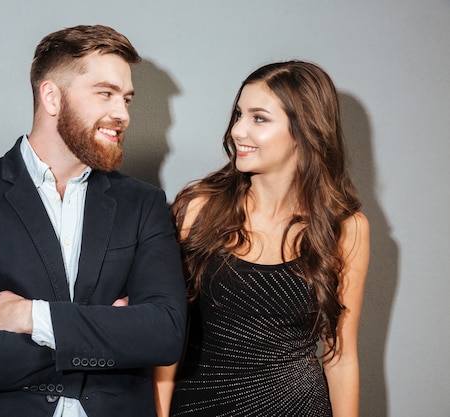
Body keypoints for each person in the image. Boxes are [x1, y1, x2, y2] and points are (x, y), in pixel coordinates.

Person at [0, 25, 187, 417]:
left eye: (126, 99)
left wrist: (33, 317)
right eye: (105, 93)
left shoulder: (143, 203)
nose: (122, 114)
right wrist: (110, 334)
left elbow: (164, 336)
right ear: (51, 96)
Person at [153, 61, 370, 417]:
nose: (238, 130)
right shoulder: (198, 210)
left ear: (305, 129)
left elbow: (341, 356)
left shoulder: (347, 228)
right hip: (197, 405)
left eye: (259, 118)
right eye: (239, 114)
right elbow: (167, 338)